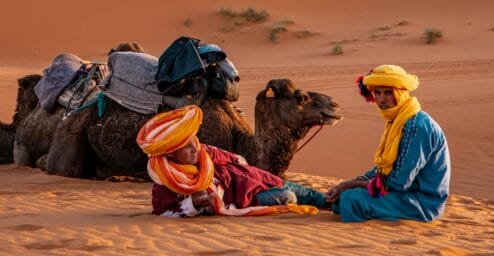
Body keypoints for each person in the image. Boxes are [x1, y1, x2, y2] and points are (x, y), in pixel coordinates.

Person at [136, 104, 327, 217]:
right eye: (186, 146)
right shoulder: (167, 182)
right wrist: (195, 203)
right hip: (248, 197)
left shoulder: (206, 152)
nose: (195, 148)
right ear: (170, 153)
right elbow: (164, 213)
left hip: (259, 178)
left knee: (316, 197)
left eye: (193, 141)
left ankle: (340, 202)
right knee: (289, 197)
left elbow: (238, 160)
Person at [326, 65, 450, 222]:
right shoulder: (399, 121)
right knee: (341, 197)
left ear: (401, 93)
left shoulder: (417, 126)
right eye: (377, 93)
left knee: (352, 199)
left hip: (422, 203)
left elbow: (400, 182)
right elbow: (384, 169)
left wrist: (353, 184)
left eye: (388, 93)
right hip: (405, 195)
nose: (382, 99)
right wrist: (347, 184)